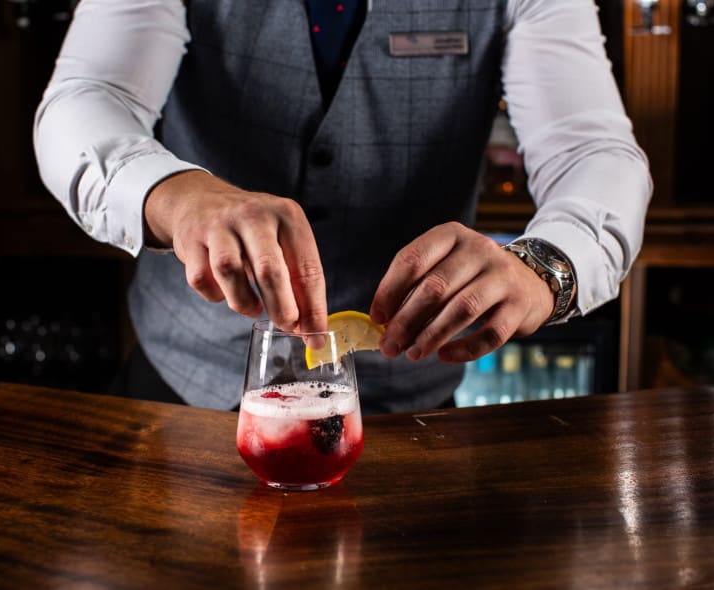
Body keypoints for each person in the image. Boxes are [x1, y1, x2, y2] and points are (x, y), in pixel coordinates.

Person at [33, 0, 652, 414]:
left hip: (407, 401)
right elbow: (88, 96)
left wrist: (544, 267)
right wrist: (178, 197)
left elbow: (590, 148)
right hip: (180, 387)